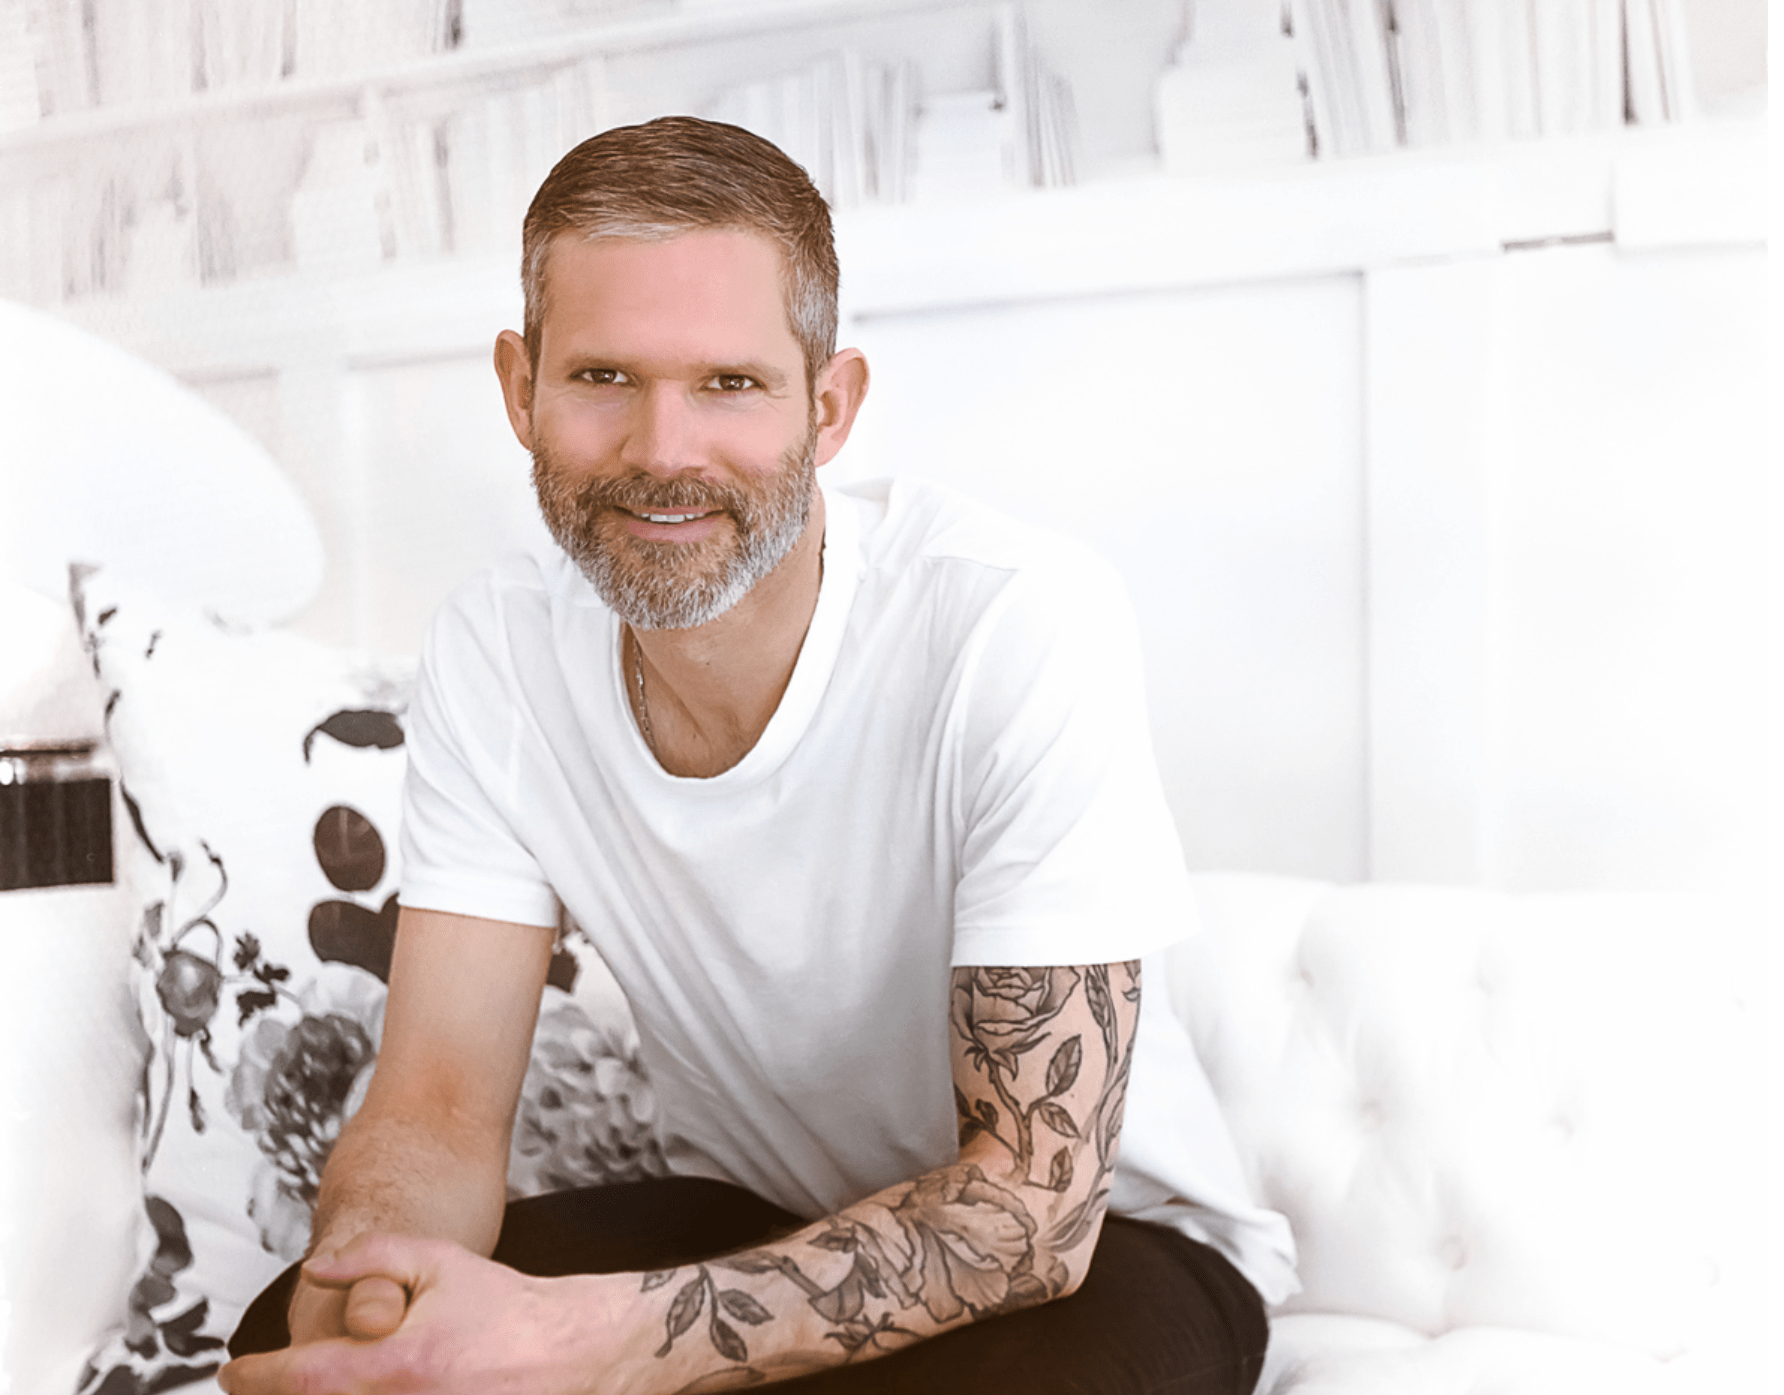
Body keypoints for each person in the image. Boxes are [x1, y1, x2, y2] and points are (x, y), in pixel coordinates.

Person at [219, 115, 1295, 1395]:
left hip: (1110, 1253)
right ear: (520, 390)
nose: (662, 451)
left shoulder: (1008, 622)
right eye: (602, 377)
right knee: (294, 1334)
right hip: (753, 1219)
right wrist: (380, 1294)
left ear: (827, 408)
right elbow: (438, 1108)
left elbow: (1030, 1214)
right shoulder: (496, 652)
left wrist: (583, 1344)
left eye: (729, 384)